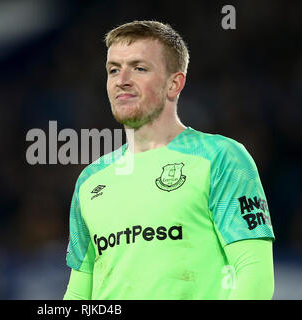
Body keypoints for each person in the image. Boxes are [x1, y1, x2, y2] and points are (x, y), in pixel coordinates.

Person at [63, 20, 275, 300]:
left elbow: (254, 274)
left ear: (174, 84)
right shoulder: (91, 180)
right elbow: (79, 293)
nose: (121, 79)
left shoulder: (221, 158)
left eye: (139, 68)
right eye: (113, 69)